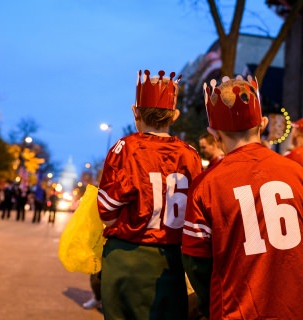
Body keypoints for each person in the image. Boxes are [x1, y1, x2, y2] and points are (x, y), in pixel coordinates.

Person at [182, 75, 303, 319]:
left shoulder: (206, 185)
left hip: (236, 310)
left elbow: (197, 264)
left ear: (214, 135)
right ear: (263, 123)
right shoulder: (297, 172)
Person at [97, 69, 202, 320]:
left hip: (127, 260)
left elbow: (107, 212)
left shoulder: (126, 148)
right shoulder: (190, 154)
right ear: (174, 115)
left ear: (135, 112)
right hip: (172, 263)